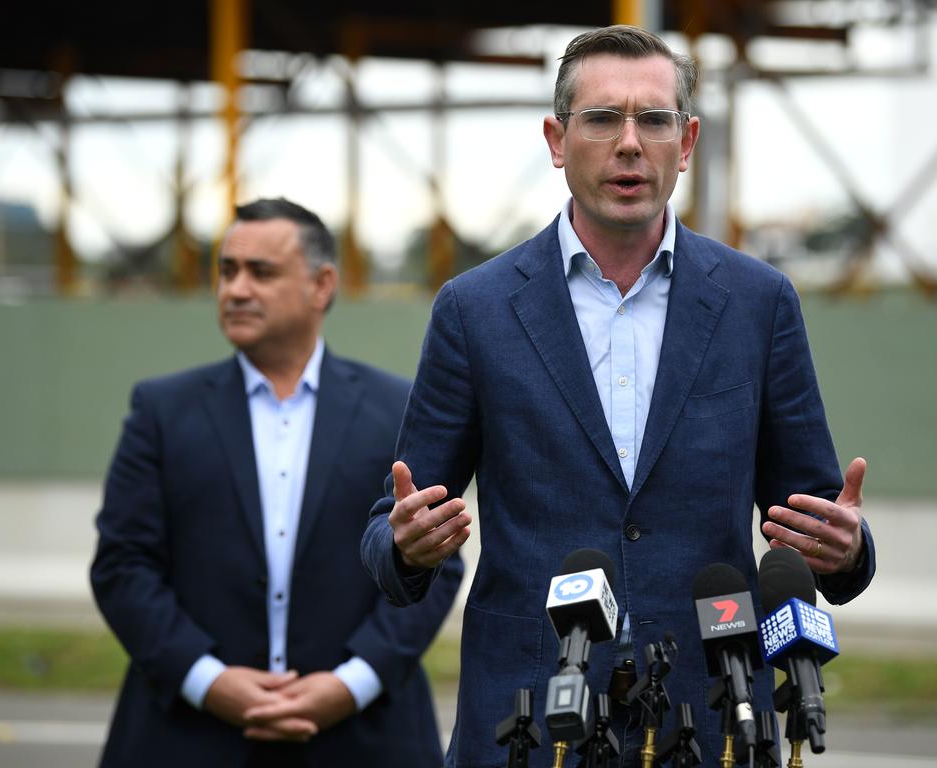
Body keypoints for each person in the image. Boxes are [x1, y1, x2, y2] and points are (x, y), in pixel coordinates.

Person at [361, 25, 875, 768]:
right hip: (531, 723)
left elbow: (817, 525)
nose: (629, 143)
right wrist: (405, 545)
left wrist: (848, 550)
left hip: (716, 721)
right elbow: (389, 533)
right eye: (602, 119)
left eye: (654, 120)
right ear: (557, 139)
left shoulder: (759, 302)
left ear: (687, 141)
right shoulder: (473, 309)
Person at [91, 198, 462, 767]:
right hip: (187, 738)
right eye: (227, 270)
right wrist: (208, 680)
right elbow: (122, 565)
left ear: (322, 285)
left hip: (364, 739)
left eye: (260, 272)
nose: (236, 289)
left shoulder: (397, 409)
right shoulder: (160, 412)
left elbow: (434, 559)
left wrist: (351, 684)